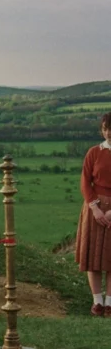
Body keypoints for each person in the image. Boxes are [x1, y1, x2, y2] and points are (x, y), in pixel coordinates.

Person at [76, 111, 111, 317]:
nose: (109, 133)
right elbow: (84, 182)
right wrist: (95, 208)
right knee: (93, 259)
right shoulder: (93, 152)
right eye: (106, 129)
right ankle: (97, 301)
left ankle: (110, 303)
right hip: (93, 210)